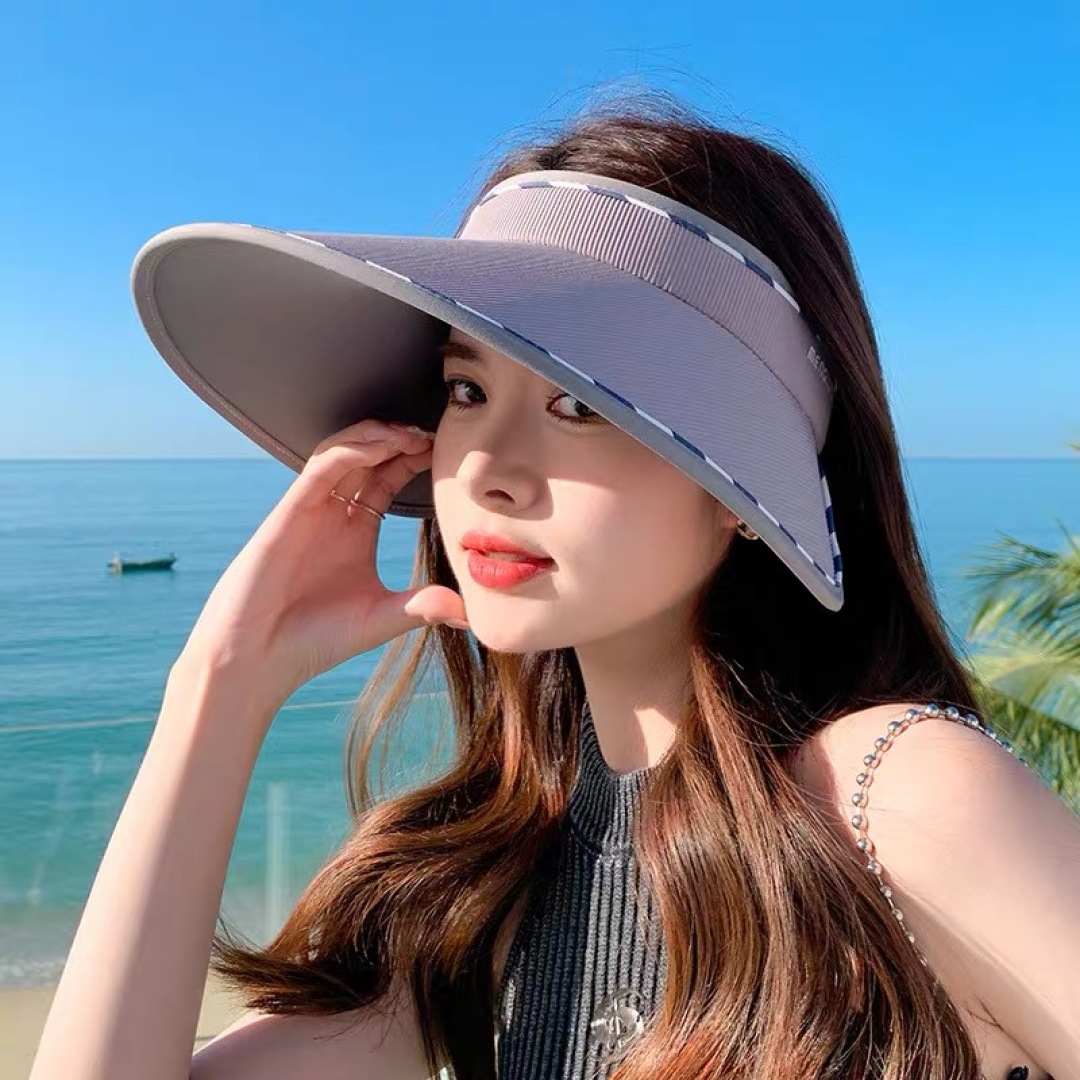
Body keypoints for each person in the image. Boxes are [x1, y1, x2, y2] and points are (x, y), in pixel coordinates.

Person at [30, 96, 1079, 1080]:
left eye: (583, 405)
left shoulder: (893, 800)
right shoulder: (477, 882)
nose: (488, 467)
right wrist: (218, 687)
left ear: (745, 485)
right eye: (467, 388)